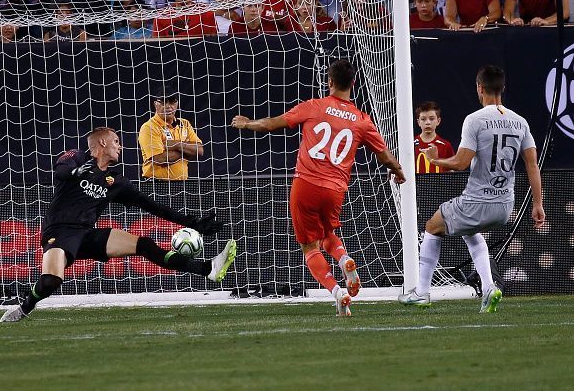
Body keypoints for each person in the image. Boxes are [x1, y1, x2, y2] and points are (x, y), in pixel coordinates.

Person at [0, 127, 237, 322]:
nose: (120, 146)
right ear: (102, 143)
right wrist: (76, 173)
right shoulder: (77, 157)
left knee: (144, 244)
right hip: (59, 232)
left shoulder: (115, 181)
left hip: (86, 234)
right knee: (51, 281)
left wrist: (192, 221)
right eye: (116, 141)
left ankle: (208, 269)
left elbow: (152, 205)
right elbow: (60, 171)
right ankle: (25, 308)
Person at [232, 59, 406, 316]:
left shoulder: (314, 106)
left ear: (330, 82)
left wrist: (247, 124)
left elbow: (271, 124)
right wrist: (399, 170)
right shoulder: (362, 120)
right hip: (335, 189)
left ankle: (338, 292)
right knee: (326, 235)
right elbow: (384, 156)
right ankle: (344, 259)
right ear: (353, 84)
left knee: (309, 246)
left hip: (306, 184)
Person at [399, 65, 545, 313]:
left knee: (432, 226)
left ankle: (422, 292)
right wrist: (538, 204)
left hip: (479, 200)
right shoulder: (520, 122)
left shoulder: (475, 120)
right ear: (503, 88)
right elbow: (532, 164)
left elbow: (460, 162)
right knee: (470, 230)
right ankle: (489, 288)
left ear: (479, 88)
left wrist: (435, 160)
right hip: (505, 205)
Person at [138, 86, 203, 180]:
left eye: (172, 101)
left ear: (177, 103)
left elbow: (200, 150)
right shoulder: (149, 127)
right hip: (156, 185)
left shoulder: (185, 124)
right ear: (155, 104)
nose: (168, 106)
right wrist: (187, 150)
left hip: (182, 185)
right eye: (163, 102)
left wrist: (176, 145)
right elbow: (159, 159)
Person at [414, 101, 455, 173]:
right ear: (418, 122)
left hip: (439, 184)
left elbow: (451, 171)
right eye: (423, 119)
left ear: (438, 121)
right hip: (415, 184)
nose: (428, 122)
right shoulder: (411, 145)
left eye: (431, 118)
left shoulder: (446, 146)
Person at [503, 0, 570, 26]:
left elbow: (564, 12)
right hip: (527, 25)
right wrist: (512, 20)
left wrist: (546, 21)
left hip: (552, 25)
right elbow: (507, 11)